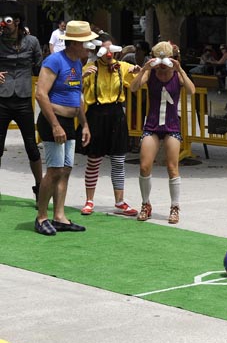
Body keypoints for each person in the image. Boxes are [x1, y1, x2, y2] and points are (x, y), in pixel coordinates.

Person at [34, 20, 96, 236]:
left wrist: (85, 124)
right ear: (73, 43)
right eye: (85, 43)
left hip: (69, 122)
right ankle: (41, 216)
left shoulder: (78, 62)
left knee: (66, 169)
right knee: (54, 170)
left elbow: (76, 95)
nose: (88, 46)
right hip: (54, 121)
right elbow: (41, 94)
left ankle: (59, 216)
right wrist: (55, 125)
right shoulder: (54, 61)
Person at [129, 41, 195, 224]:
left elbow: (192, 90)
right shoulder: (151, 73)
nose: (162, 64)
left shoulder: (177, 75)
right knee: (144, 166)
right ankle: (145, 204)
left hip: (172, 126)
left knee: (172, 167)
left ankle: (175, 207)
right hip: (152, 126)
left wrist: (180, 70)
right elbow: (133, 88)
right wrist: (144, 69)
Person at [79, 38, 141, 216]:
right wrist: (82, 77)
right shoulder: (89, 68)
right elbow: (75, 90)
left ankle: (120, 202)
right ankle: (89, 201)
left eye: (111, 50)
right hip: (96, 115)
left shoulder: (122, 67)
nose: (108, 54)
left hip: (116, 114)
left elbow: (136, 86)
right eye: (104, 50)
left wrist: (141, 71)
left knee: (118, 161)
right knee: (94, 160)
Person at [0, 0, 43, 203]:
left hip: (24, 99)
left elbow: (39, 66)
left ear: (16, 21)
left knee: (31, 147)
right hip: (2, 99)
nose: (4, 24)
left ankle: (40, 188)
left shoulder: (32, 42)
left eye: (7, 21)